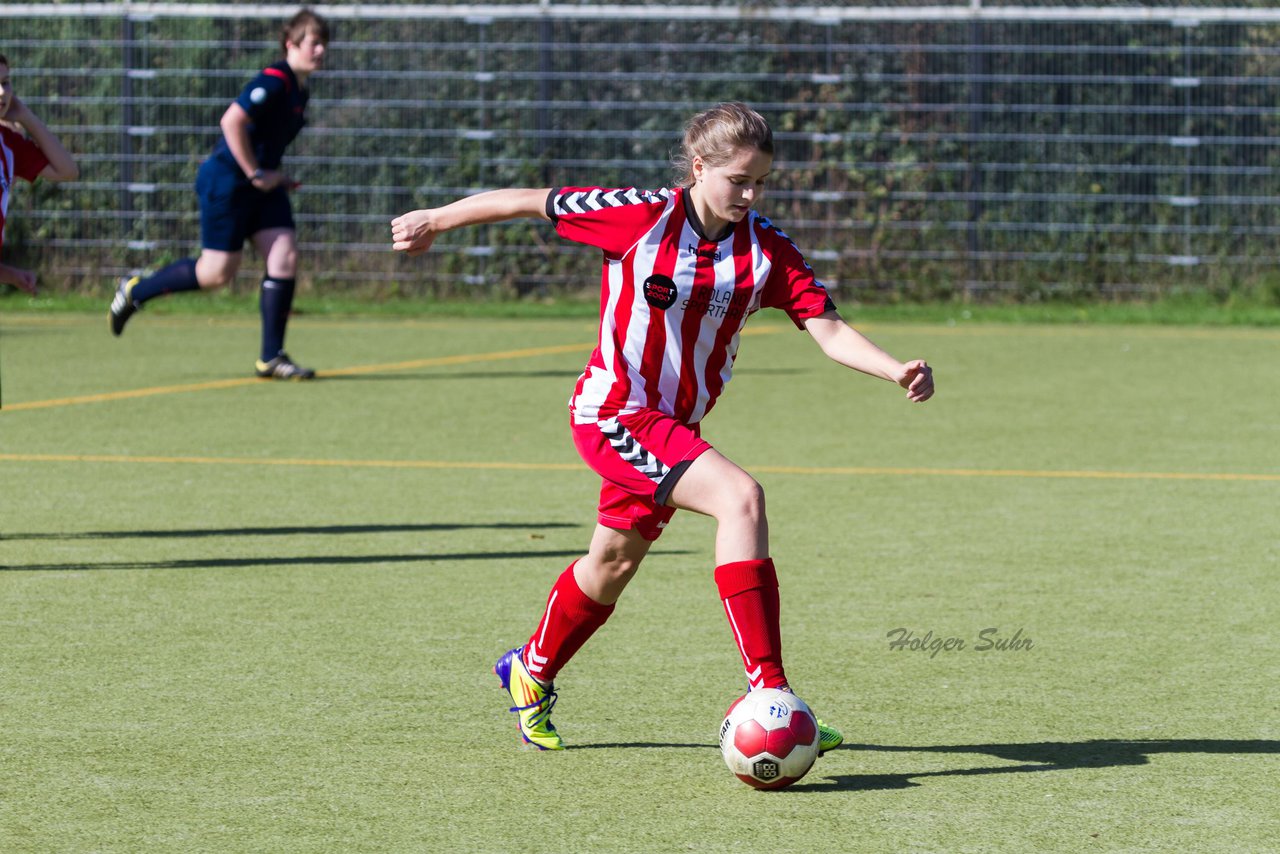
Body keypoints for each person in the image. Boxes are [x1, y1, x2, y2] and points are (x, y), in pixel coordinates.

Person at [391, 102, 935, 752]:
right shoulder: (639, 215)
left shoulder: (765, 250)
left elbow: (829, 329)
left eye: (761, 180)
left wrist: (894, 368)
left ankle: (530, 671)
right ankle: (773, 693)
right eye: (738, 179)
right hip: (613, 414)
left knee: (612, 563)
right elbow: (527, 201)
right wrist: (436, 219)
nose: (751, 193)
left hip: (673, 427)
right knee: (741, 498)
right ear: (698, 166)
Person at [108, 8, 328, 380]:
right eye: (314, 43)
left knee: (284, 255)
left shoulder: (299, 90)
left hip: (262, 186)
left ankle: (271, 357)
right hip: (227, 182)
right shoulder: (275, 79)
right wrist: (254, 171)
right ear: (291, 44)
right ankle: (135, 291)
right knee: (216, 274)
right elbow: (232, 121)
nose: (321, 50)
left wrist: (272, 175)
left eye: (324, 44)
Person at [0, 54, 79, 294]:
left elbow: (66, 170)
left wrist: (26, 116)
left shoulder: (8, 145)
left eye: (5, 82)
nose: (3, 92)